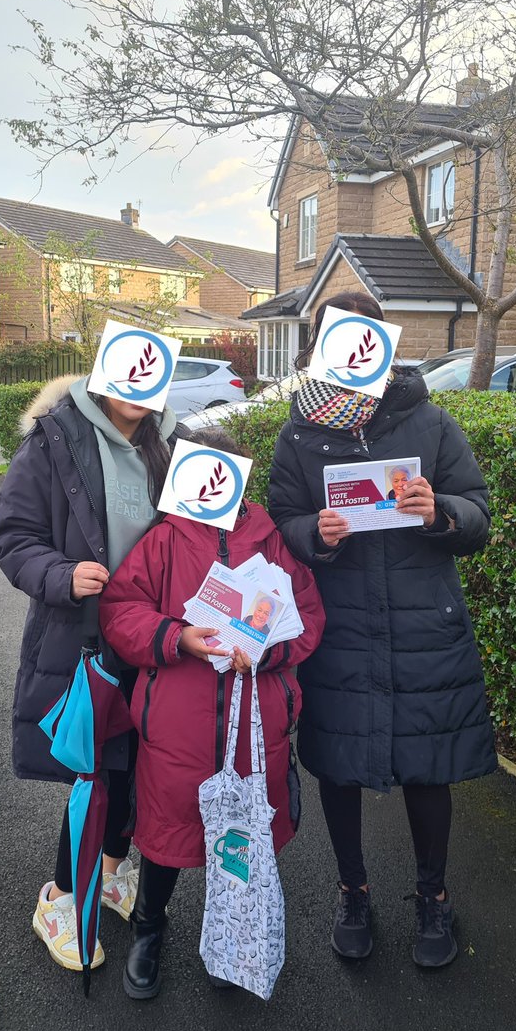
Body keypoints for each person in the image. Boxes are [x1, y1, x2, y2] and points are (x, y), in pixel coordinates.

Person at [268, 292, 496, 969]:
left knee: (429, 767)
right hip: (338, 628)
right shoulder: (299, 433)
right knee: (338, 767)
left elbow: (477, 512)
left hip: (424, 624)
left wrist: (438, 512)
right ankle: (352, 890)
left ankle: (433, 897)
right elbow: (282, 519)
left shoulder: (428, 421)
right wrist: (315, 533)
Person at [99, 427, 325, 1000]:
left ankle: (237, 934)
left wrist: (268, 651)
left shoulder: (269, 539)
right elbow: (121, 610)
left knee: (243, 837)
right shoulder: (164, 539)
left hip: (255, 723)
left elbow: (307, 614)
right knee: (167, 830)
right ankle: (150, 927)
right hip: (177, 722)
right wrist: (178, 639)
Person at [0, 371, 186, 973]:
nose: (137, 386)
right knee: (93, 777)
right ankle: (62, 898)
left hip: (154, 638)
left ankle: (109, 872)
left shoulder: (177, 444)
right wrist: (61, 575)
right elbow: (13, 536)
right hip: (86, 640)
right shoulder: (54, 439)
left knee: (138, 769)